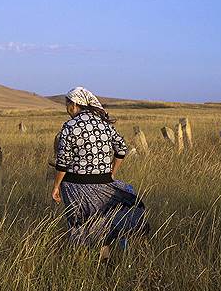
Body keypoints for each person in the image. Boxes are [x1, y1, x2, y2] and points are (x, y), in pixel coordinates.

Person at [52, 86, 149, 261]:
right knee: (103, 219)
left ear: (75, 104)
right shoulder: (103, 124)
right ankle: (105, 260)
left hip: (76, 186)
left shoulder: (69, 126)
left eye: (67, 104)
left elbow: (63, 162)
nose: (66, 108)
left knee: (81, 225)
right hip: (104, 184)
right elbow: (121, 149)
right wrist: (111, 173)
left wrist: (56, 186)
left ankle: (84, 262)